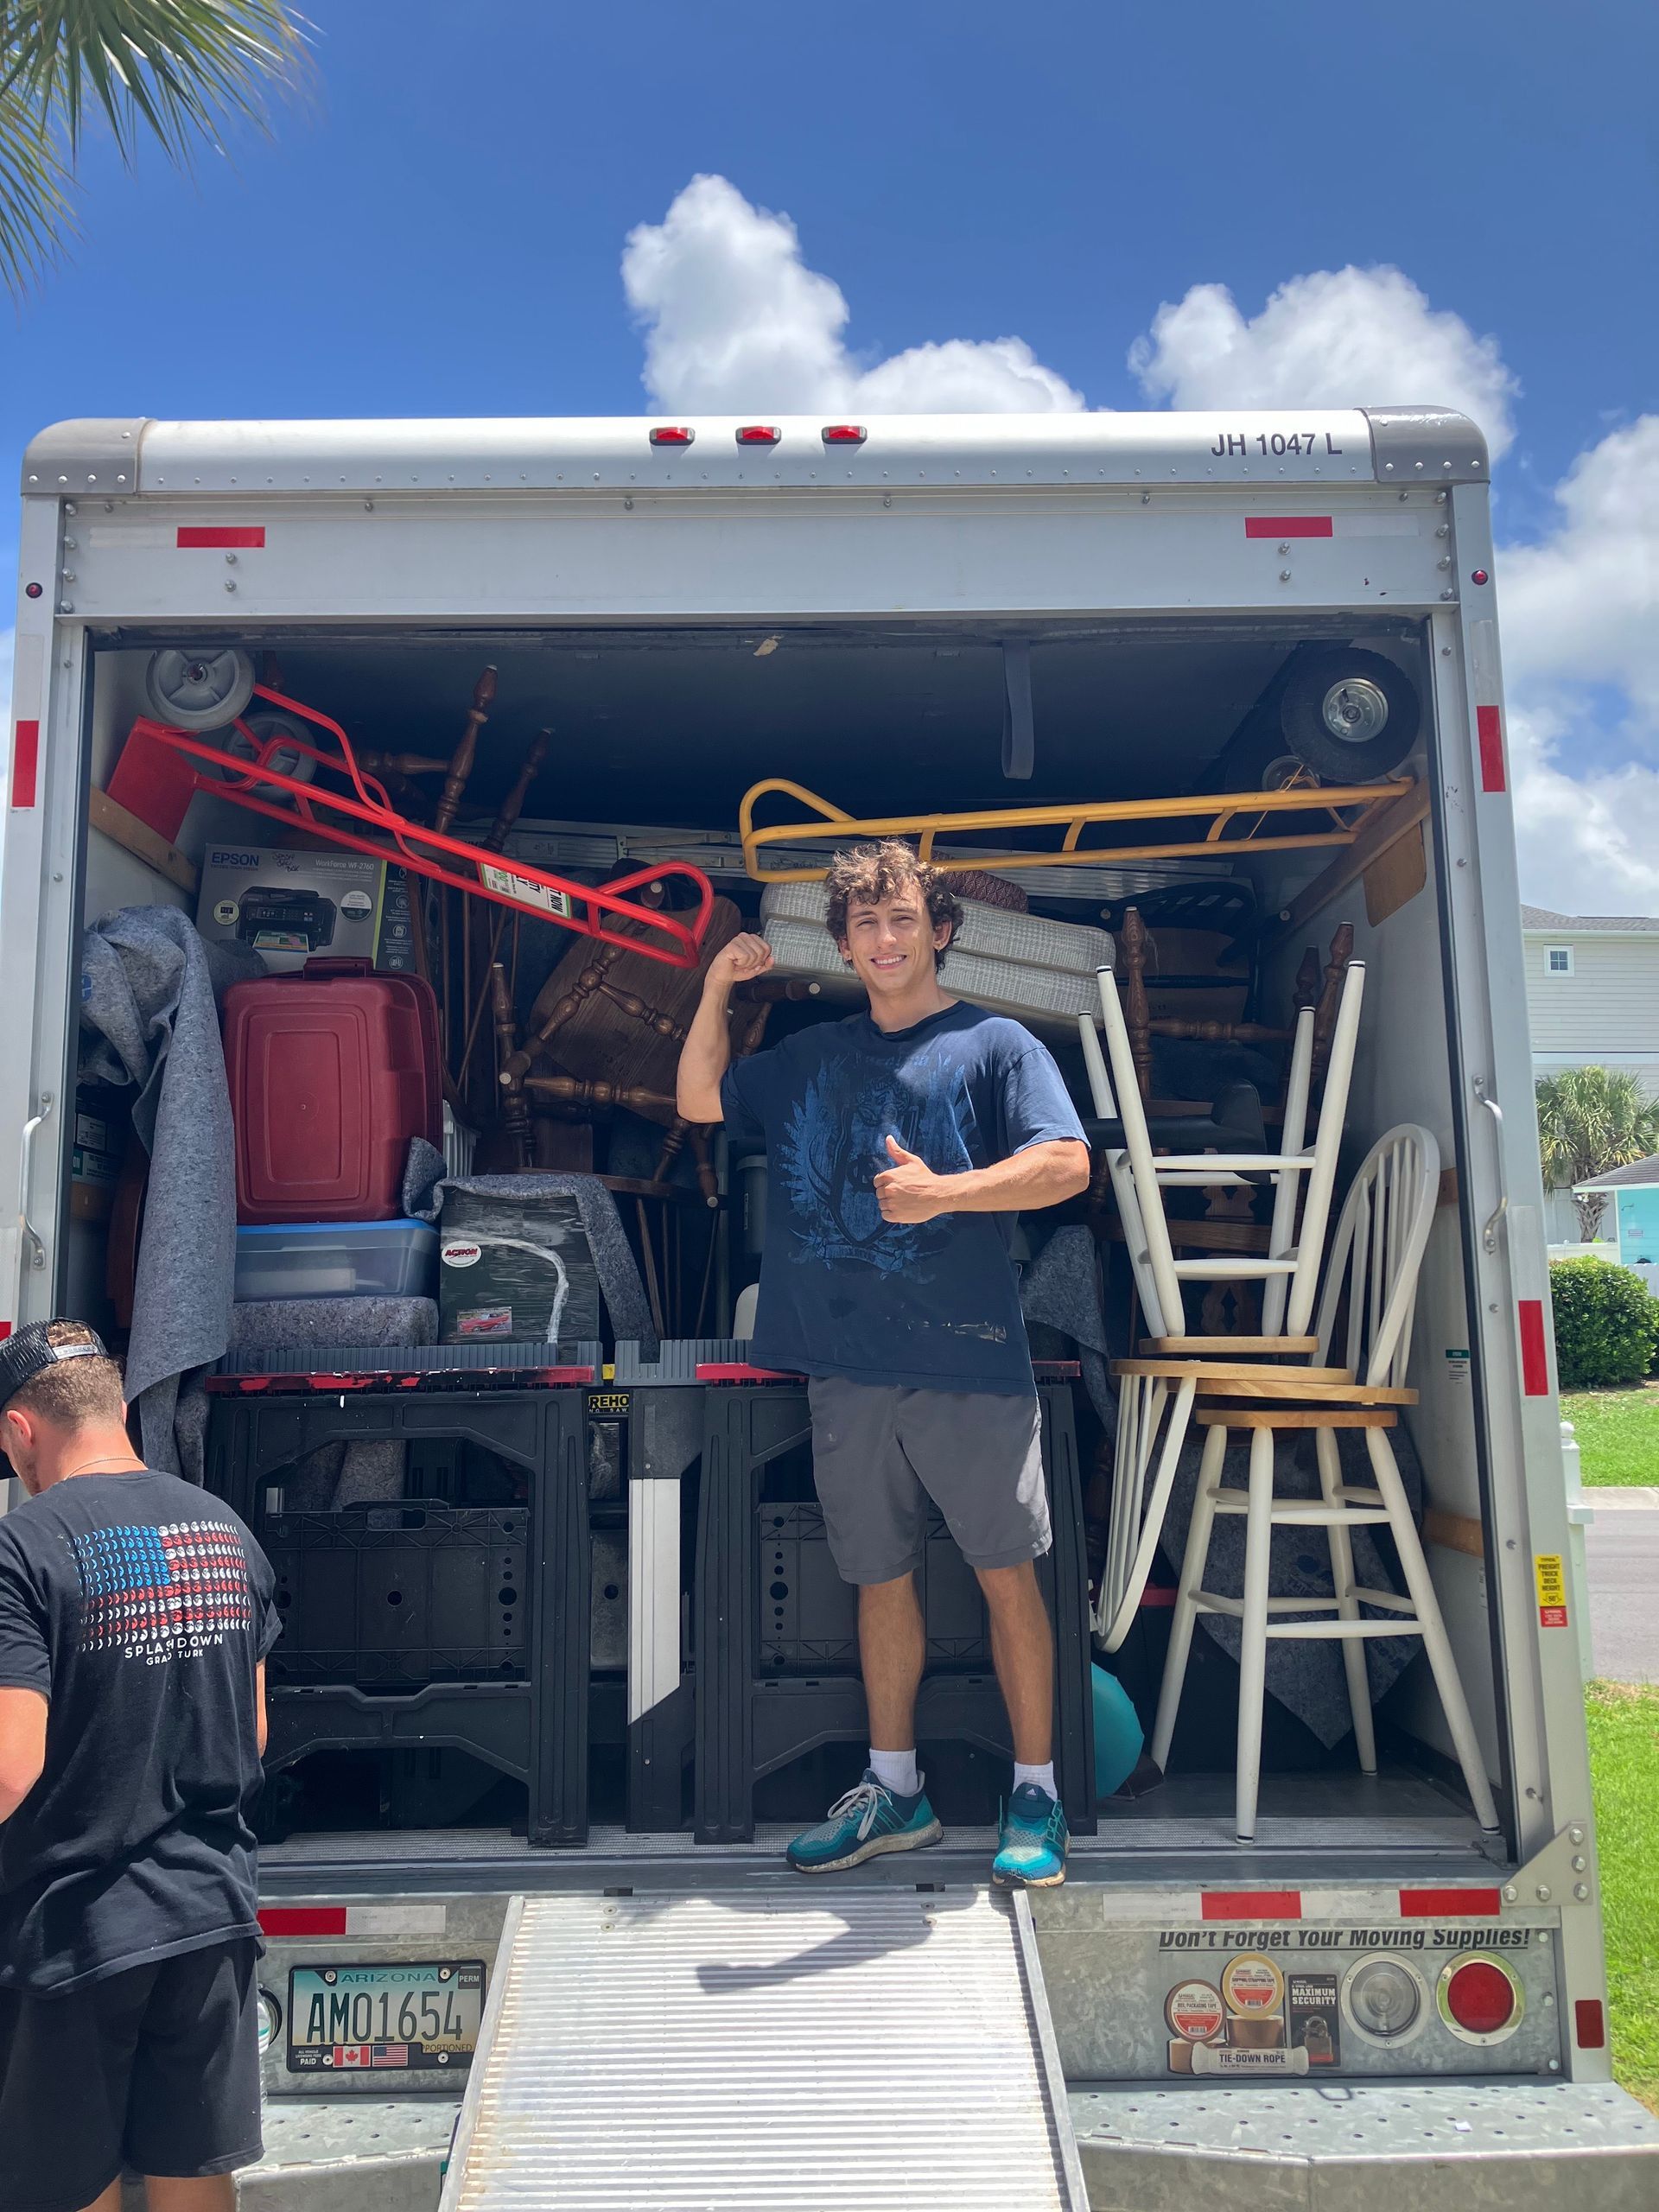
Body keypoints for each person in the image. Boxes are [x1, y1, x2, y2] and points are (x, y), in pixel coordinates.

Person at [677, 842, 1090, 1885]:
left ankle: (1036, 1795)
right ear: (845, 942)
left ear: (939, 930)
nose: (886, 939)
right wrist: (716, 990)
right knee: (879, 1579)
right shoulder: (815, 1053)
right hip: (847, 1367)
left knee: (1008, 1578)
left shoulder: (995, 1044)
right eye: (865, 924)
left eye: (903, 919)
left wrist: (946, 1192)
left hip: (967, 1361)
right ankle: (894, 1792)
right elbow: (696, 1102)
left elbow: (1067, 1163)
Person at [0, 1319, 280, 2212]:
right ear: (119, 1408)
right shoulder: (225, 1530)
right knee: (194, 2177)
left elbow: (10, 1768)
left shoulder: (24, 1548)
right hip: (211, 1910)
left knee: (65, 2186)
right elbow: (257, 1730)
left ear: (20, 1431)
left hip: (76, 1929)